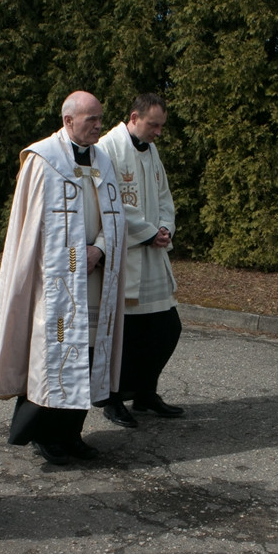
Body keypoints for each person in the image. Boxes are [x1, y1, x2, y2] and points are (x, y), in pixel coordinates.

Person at [0, 91, 126, 465]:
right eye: (90, 118)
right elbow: (29, 229)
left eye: (100, 117)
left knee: (87, 354)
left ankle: (71, 433)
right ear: (67, 121)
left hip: (94, 279)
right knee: (56, 355)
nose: (98, 125)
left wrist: (100, 248)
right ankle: (45, 435)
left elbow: (116, 217)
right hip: (55, 285)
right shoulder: (43, 160)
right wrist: (76, 256)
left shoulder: (103, 161)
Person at [96, 93, 183, 428]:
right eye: (153, 125)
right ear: (134, 117)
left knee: (166, 328)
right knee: (126, 334)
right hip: (128, 255)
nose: (158, 132)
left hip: (152, 254)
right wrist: (148, 231)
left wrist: (165, 227)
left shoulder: (152, 149)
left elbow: (164, 195)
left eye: (161, 126)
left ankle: (146, 392)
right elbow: (111, 201)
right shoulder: (108, 148)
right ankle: (113, 399)